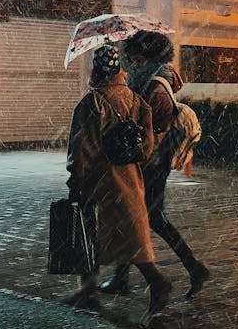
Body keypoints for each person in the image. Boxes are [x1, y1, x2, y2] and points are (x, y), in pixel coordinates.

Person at [99, 31, 210, 299]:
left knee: (146, 217)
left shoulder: (155, 85)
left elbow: (151, 128)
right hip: (147, 159)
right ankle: (123, 278)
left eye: (134, 54)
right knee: (136, 216)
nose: (130, 59)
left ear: (148, 54)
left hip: (152, 161)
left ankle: (192, 269)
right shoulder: (146, 79)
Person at [65, 44, 172, 313]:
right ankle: (89, 290)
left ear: (97, 71)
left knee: (89, 232)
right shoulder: (136, 100)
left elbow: (81, 147)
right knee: (129, 234)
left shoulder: (93, 102)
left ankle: (155, 282)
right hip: (130, 178)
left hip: (99, 180)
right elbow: (147, 147)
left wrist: (76, 177)